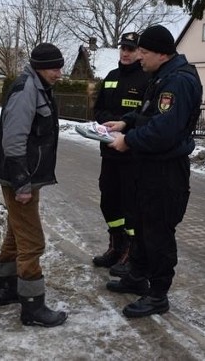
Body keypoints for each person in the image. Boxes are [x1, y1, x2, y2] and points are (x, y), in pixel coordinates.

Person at [103, 25, 203, 318]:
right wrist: (126, 123)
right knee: (144, 227)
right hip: (149, 167)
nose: (139, 57)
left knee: (158, 232)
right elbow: (149, 113)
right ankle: (137, 277)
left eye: (144, 52)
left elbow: (164, 129)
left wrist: (129, 140)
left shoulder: (179, 82)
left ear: (161, 53)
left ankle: (158, 294)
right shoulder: (162, 76)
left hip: (166, 171)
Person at [0, 42, 68, 327]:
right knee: (32, 242)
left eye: (60, 67)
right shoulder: (26, 90)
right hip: (19, 179)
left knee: (16, 235)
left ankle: (6, 289)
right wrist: (22, 182)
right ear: (39, 67)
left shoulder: (38, 88)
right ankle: (33, 308)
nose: (59, 73)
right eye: (54, 67)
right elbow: (13, 140)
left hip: (25, 178)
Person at [91, 32, 149, 277]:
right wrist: (106, 123)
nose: (125, 53)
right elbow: (99, 108)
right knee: (109, 200)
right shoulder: (112, 77)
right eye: (123, 48)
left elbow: (146, 118)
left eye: (131, 49)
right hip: (109, 152)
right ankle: (116, 246)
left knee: (131, 206)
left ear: (139, 52)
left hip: (132, 155)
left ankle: (131, 253)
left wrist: (125, 129)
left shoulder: (147, 79)